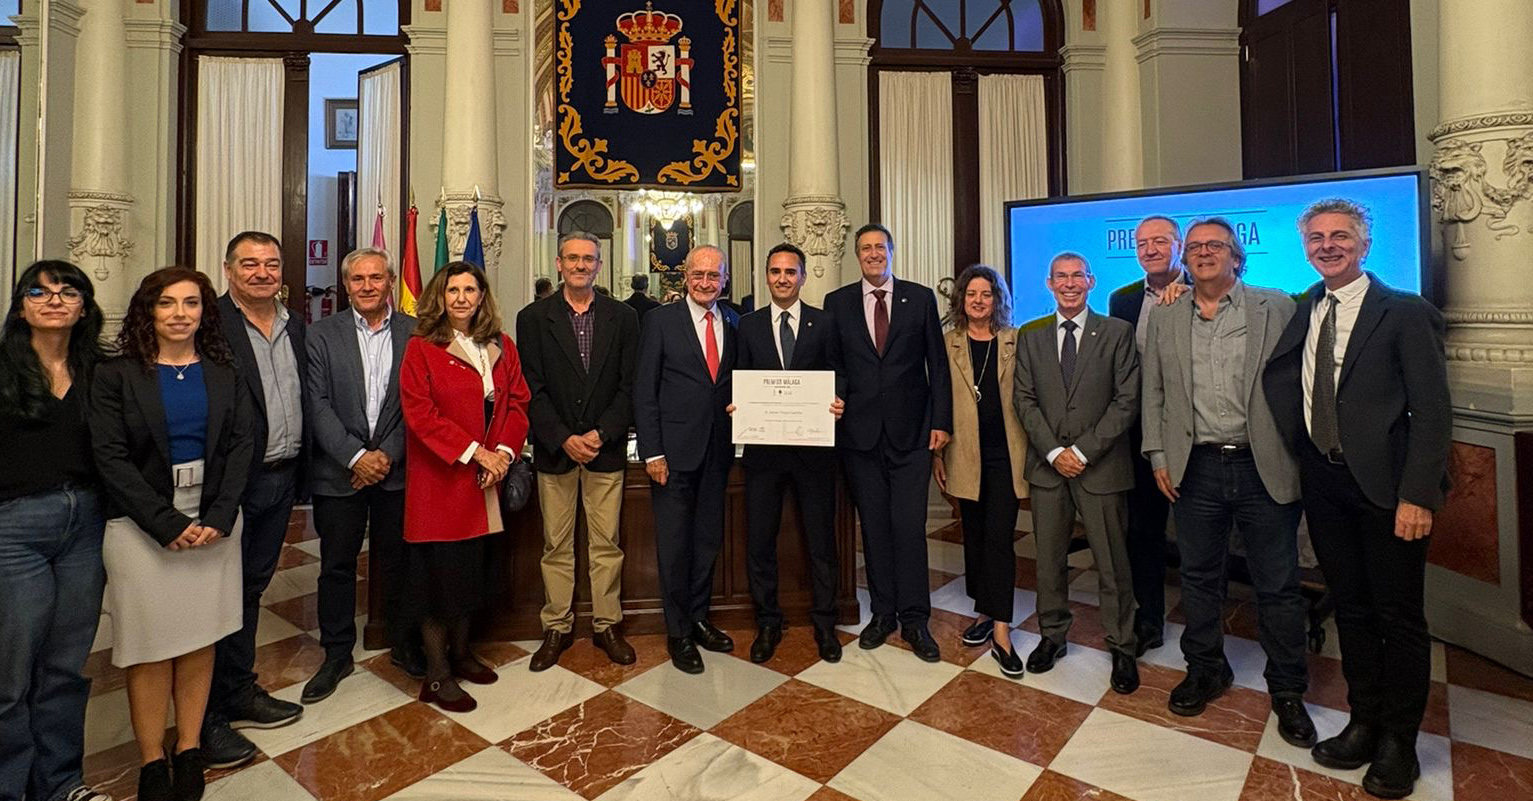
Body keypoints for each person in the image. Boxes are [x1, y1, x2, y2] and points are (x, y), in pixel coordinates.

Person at [1263, 199, 1451, 800]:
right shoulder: (1303, 308)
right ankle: (1364, 720)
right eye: (1316, 238)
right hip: (1326, 484)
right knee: (1351, 609)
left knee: (1399, 617)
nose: (1327, 246)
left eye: (1339, 236)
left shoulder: (1405, 312)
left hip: (1390, 491)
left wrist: (1418, 494)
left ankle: (1400, 740)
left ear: (1364, 245)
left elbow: (1433, 411)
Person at [1140, 218, 1316, 746]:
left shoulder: (1276, 306)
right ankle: (1205, 668)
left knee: (1278, 585)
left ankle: (1287, 689)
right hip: (1195, 466)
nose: (1202, 254)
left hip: (1263, 464)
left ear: (1236, 256)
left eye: (1213, 245)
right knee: (1198, 577)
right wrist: (1156, 455)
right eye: (1193, 248)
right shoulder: (1168, 314)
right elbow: (1155, 392)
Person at [91, 268, 254, 801]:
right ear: (149, 311)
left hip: (213, 524)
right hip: (142, 527)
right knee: (150, 646)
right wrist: (166, 524)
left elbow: (240, 448)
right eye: (167, 304)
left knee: (201, 638)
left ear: (205, 311)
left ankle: (188, 747)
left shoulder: (223, 373)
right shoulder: (117, 375)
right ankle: (151, 759)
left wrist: (220, 515)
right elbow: (110, 458)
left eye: (191, 303)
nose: (180, 313)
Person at [0, 262, 113, 801]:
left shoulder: (100, 369)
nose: (53, 300)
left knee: (67, 664)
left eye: (68, 292)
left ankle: (62, 783)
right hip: (14, 528)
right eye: (39, 292)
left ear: (84, 307)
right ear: (21, 306)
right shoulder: (2, 366)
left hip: (85, 525)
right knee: (11, 671)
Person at [398, 261, 530, 712]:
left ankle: (461, 654)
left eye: (469, 290)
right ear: (440, 296)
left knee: (471, 577)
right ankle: (436, 676)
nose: (460, 298)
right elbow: (420, 416)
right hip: (442, 484)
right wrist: (477, 453)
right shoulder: (422, 348)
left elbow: (517, 404)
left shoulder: (501, 345)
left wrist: (504, 455)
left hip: (486, 484)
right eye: (452, 290)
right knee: (438, 583)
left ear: (482, 296)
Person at [1013, 253, 1141, 692]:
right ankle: (1053, 636)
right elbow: (1024, 400)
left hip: (1101, 467)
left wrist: (1082, 451)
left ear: (1091, 281)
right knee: (1048, 561)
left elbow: (1127, 400)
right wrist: (1053, 451)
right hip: (1048, 470)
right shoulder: (1031, 336)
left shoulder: (1118, 333)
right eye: (1061, 277)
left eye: (1077, 276)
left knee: (1113, 563)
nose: (1069, 284)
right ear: (1049, 283)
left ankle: (1123, 645)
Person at [823, 223, 951, 662]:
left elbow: (937, 361)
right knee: (873, 529)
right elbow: (833, 365)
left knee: (910, 528)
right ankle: (882, 615)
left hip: (912, 434)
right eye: (866, 248)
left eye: (880, 247)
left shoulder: (919, 298)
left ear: (892, 252)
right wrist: (833, 398)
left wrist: (942, 422)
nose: (873, 254)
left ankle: (916, 620)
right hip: (859, 436)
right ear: (856, 256)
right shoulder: (837, 303)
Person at [203, 231, 306, 769]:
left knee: (249, 591)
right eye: (250, 264)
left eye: (270, 264)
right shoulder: (209, 325)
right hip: (229, 485)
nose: (262, 273)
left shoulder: (295, 324)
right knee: (214, 597)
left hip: (281, 478)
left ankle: (238, 690)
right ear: (228, 270)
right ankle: (205, 717)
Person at [516, 233, 640, 672]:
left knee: (607, 544)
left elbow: (630, 385)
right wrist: (564, 436)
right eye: (573, 258)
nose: (580, 265)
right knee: (556, 544)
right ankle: (557, 626)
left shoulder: (623, 318)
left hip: (604, 451)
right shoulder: (532, 318)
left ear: (599, 265)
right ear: (559, 263)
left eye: (588, 259)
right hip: (556, 451)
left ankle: (607, 625)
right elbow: (531, 386)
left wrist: (601, 433)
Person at [300, 248, 419, 703]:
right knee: (336, 565)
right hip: (339, 473)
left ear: (391, 281)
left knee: (398, 563)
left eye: (376, 277)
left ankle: (403, 643)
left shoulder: (417, 332)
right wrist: (355, 457)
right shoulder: (319, 336)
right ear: (345, 284)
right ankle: (336, 653)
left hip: (397, 469)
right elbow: (317, 404)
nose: (367, 286)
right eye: (357, 279)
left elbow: (419, 405)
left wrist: (385, 454)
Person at [731, 243, 846, 664]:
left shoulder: (825, 323)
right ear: (766, 276)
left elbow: (841, 372)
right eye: (775, 271)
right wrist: (735, 403)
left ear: (802, 276)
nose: (783, 278)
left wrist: (838, 399)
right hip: (763, 453)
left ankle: (824, 623)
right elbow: (737, 378)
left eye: (790, 272)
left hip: (813, 452)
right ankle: (767, 622)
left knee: (820, 540)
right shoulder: (748, 326)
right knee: (760, 540)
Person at [634, 245, 738, 674]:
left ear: (725, 280)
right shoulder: (660, 321)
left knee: (707, 541)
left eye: (714, 276)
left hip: (718, 453)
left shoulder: (733, 321)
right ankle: (677, 632)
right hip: (672, 457)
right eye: (698, 274)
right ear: (685, 276)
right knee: (675, 547)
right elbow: (645, 389)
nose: (706, 282)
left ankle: (699, 618)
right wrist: (652, 451)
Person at [931, 264, 1028, 677]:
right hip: (962, 456)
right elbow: (936, 399)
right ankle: (984, 612)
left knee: (999, 539)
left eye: (986, 294)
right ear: (960, 300)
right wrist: (936, 455)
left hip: (1007, 456)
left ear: (997, 299)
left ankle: (1002, 629)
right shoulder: (947, 342)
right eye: (970, 294)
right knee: (974, 538)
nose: (978, 301)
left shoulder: (1015, 341)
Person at [1107, 215, 1191, 654]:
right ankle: (1150, 620)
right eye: (1143, 243)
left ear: (1179, 245)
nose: (1151, 249)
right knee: (1144, 531)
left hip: (1193, 433)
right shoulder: (1121, 300)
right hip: (1138, 434)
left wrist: (1190, 293)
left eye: (1161, 240)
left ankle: (1202, 630)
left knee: (1198, 533)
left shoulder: (1204, 289)